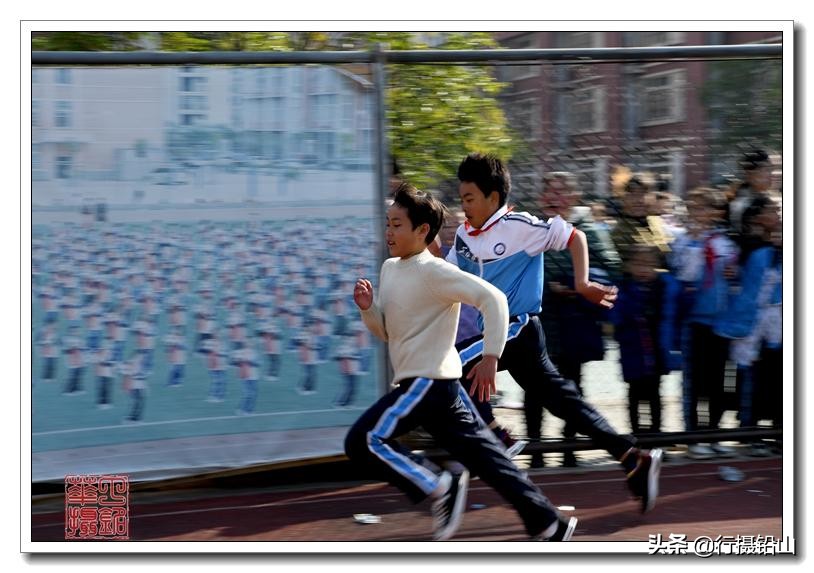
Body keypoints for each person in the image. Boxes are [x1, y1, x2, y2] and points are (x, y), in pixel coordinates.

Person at [345, 182, 577, 542]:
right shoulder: (391, 269)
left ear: (423, 230)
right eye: (387, 223)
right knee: (489, 459)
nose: (388, 232)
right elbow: (389, 332)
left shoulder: (436, 272)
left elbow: (495, 300)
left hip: (427, 381)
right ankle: (548, 521)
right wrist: (368, 310)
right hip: (440, 387)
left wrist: (491, 356)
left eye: (397, 224)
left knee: (364, 440)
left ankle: (439, 486)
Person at [445, 153, 662, 512]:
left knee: (445, 365)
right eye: (461, 199)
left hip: (517, 329)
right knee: (564, 402)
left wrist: (583, 282)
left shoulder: (520, 226)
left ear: (493, 199)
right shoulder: (466, 236)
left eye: (469, 199)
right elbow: (448, 276)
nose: (464, 206)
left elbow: (575, 237)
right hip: (504, 336)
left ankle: (494, 434)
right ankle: (632, 456)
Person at [536, 171, 621, 467]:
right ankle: (534, 450)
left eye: (562, 190)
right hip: (539, 318)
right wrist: (548, 284)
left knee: (572, 384)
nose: (555, 196)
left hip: (573, 320)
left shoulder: (589, 229)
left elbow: (611, 264)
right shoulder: (533, 226)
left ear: (573, 197)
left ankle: (569, 446)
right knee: (533, 386)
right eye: (549, 190)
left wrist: (574, 283)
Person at [610, 244, 681, 435]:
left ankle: (656, 434)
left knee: (655, 393)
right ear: (629, 267)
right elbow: (616, 317)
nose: (643, 270)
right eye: (638, 264)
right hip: (632, 349)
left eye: (649, 265)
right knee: (634, 393)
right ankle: (637, 434)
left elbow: (673, 313)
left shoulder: (663, 288)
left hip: (657, 349)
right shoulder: (623, 288)